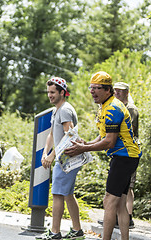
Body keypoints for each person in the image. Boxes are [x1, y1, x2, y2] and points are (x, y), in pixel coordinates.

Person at [65, 71, 141, 240]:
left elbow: (109, 142)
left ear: (108, 90)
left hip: (124, 157)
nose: (92, 91)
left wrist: (82, 150)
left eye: (97, 88)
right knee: (121, 204)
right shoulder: (106, 105)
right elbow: (102, 137)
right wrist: (86, 144)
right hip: (125, 157)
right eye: (91, 87)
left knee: (109, 201)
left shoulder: (113, 108)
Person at [35, 77, 84, 240]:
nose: (49, 95)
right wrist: (45, 152)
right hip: (63, 158)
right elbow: (51, 134)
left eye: (53, 92)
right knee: (68, 194)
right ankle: (77, 231)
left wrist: (52, 155)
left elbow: (69, 137)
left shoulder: (64, 110)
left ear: (62, 92)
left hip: (66, 160)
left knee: (57, 194)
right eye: (48, 92)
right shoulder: (57, 109)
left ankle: (55, 233)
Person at [114, 81, 139, 228]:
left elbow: (131, 130)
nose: (117, 93)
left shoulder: (130, 109)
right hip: (119, 151)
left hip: (130, 151)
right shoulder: (117, 107)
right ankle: (117, 216)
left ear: (127, 93)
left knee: (128, 185)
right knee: (121, 186)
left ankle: (128, 217)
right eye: (115, 90)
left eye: (120, 91)